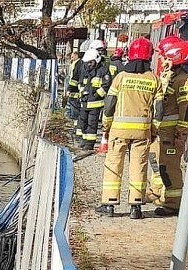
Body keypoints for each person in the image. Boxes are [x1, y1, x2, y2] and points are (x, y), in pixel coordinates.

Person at [96, 37, 163, 219]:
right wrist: (154, 129)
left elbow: (109, 104)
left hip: (118, 131)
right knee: (138, 167)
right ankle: (136, 206)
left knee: (113, 165)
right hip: (142, 132)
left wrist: (106, 125)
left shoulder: (121, 78)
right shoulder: (154, 79)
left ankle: (109, 204)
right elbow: (159, 110)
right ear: (149, 56)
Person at [146, 39, 188, 216]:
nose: (163, 61)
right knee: (163, 165)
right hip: (166, 132)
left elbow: (185, 109)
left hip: (173, 134)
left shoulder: (183, 81)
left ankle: (174, 204)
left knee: (170, 167)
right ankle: (167, 198)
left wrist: (181, 133)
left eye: (166, 57)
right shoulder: (175, 78)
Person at [76, 47, 112, 150]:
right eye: (87, 62)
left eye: (90, 62)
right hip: (85, 101)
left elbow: (106, 85)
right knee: (82, 121)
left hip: (95, 103)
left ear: (96, 60)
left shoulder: (103, 70)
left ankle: (89, 143)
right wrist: (82, 93)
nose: (88, 64)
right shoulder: (86, 69)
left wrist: (95, 95)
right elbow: (81, 82)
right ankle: (83, 140)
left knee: (92, 123)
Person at [66, 51, 82, 120]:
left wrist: (69, 89)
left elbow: (75, 78)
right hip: (73, 86)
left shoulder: (78, 64)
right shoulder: (74, 63)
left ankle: (74, 119)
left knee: (74, 106)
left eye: (72, 57)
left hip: (74, 89)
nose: (71, 59)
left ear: (76, 56)